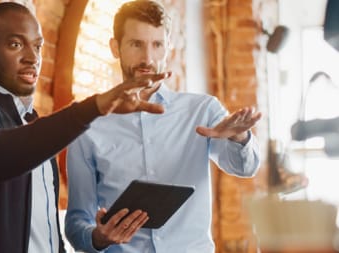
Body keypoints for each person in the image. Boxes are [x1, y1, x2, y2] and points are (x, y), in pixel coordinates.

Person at [0, 2, 171, 252]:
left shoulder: (30, 121)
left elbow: (44, 229)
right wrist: (94, 107)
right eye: (15, 44)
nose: (32, 57)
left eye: (37, 47)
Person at [64, 1, 262, 252]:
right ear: (115, 48)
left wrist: (240, 137)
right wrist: (98, 238)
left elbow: (247, 167)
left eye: (157, 45)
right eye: (136, 44)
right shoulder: (89, 125)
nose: (147, 58)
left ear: (168, 47)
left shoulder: (202, 110)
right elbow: (75, 222)